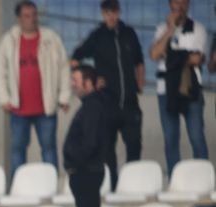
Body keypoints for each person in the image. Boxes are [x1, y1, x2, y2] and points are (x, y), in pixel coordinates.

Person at [71, 0, 146, 190]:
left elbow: (139, 61)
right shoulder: (97, 36)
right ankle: (111, 186)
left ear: (119, 12)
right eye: (107, 13)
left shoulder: (129, 33)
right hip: (107, 103)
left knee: (134, 146)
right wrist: (93, 80)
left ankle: (133, 185)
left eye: (114, 12)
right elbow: (75, 58)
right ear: (102, 14)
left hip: (129, 102)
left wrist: (140, 83)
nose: (111, 16)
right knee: (107, 149)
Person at [0, 2, 71, 173]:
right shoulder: (9, 40)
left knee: (49, 149)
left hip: (46, 107)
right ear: (18, 19)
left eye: (34, 15)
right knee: (17, 151)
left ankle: (51, 188)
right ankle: (17, 192)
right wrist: (4, 98)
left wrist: (64, 96)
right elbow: (0, 71)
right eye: (27, 16)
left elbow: (64, 67)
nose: (32, 19)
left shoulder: (51, 38)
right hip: (18, 108)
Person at [64, 65, 117, 207]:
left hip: (87, 172)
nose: (73, 85)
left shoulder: (93, 107)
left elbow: (90, 142)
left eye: (76, 81)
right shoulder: (90, 105)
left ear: (88, 83)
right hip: (86, 171)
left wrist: (75, 163)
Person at [150, 0, 208, 173]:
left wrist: (169, 56)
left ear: (188, 5)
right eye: (176, 2)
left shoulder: (198, 28)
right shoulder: (162, 29)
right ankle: (176, 180)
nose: (179, 6)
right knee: (170, 139)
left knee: (196, 136)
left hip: (190, 88)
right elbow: (154, 54)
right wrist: (170, 30)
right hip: (165, 90)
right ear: (170, 5)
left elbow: (196, 58)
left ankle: (204, 177)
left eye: (183, 2)